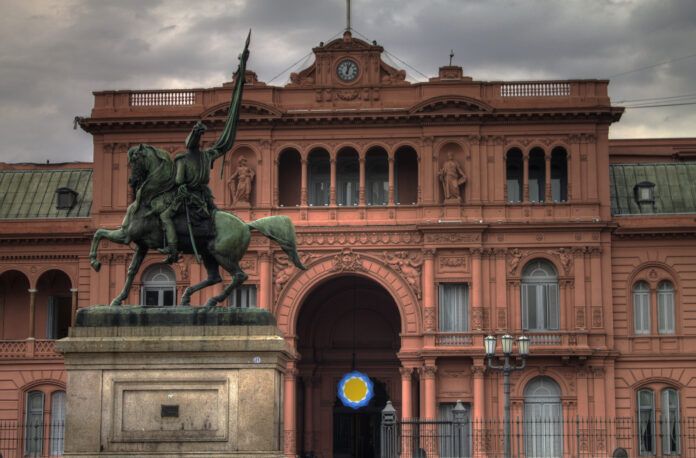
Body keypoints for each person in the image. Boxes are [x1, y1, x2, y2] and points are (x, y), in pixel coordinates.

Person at [158, 121, 222, 263]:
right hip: (204, 197)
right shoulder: (206, 156)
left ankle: (173, 250)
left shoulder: (183, 159)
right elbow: (222, 147)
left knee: (165, 216)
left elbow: (179, 180)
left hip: (188, 198)